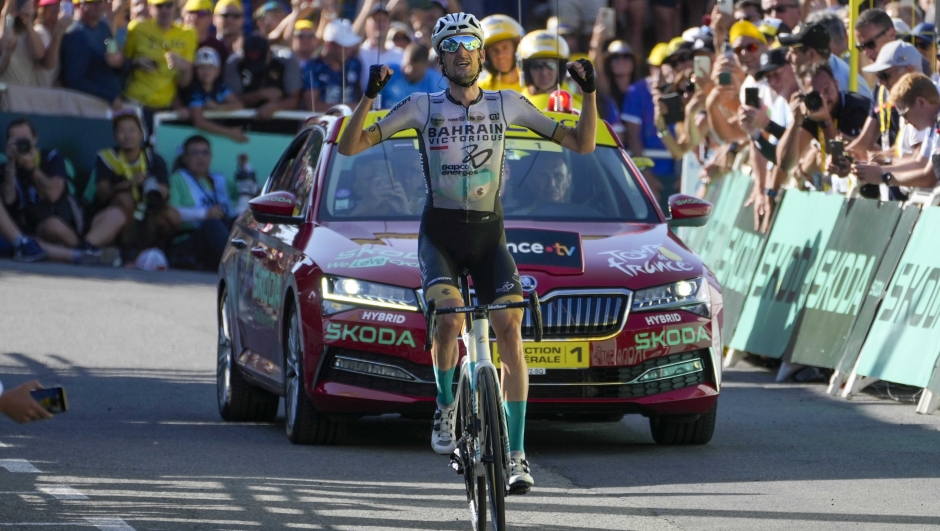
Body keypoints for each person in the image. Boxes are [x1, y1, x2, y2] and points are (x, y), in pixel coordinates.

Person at [337, 12, 597, 493]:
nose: (462, 52)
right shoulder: (421, 107)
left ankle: (517, 455)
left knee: (510, 332)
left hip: (488, 236)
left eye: (469, 44)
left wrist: (588, 94)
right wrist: (369, 97)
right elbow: (350, 146)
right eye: (451, 44)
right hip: (440, 235)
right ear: (441, 57)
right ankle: (444, 405)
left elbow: (582, 144)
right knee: (449, 319)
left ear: (481, 54)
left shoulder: (508, 104)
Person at [1, 119, 122, 264]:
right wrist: (11, 164)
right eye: (16, 140)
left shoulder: (51, 156)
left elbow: (54, 194)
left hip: (74, 220)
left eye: (25, 139)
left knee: (116, 215)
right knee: (53, 226)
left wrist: (31, 168)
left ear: (35, 139)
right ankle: (87, 254)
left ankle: (85, 251)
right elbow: (8, 200)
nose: (21, 144)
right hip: (40, 227)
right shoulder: (7, 167)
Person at [92, 113, 175, 260]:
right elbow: (102, 193)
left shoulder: (154, 159)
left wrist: (155, 189)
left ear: (141, 134)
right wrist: (129, 184)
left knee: (172, 215)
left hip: (148, 210)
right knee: (125, 198)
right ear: (114, 135)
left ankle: (163, 252)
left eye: (132, 130)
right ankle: (126, 250)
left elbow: (164, 192)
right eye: (122, 131)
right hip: (114, 213)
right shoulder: (106, 157)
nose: (127, 135)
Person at [776, 62, 872, 183]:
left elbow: (840, 159)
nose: (824, 98)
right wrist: (795, 123)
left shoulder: (857, 108)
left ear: (836, 85)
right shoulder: (811, 109)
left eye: (827, 90)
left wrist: (825, 121)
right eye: (816, 94)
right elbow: (786, 164)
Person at [853, 73, 940, 190]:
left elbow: (929, 177)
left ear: (920, 102)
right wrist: (876, 170)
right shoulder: (934, 126)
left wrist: (882, 177)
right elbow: (921, 164)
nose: (905, 122)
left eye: (904, 114)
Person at [123, 0, 197, 128]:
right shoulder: (137, 28)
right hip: (136, 103)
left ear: (175, 7)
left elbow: (183, 83)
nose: (164, 10)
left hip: (165, 107)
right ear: (150, 8)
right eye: (159, 6)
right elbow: (122, 65)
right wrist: (136, 63)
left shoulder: (188, 34)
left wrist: (184, 67)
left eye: (169, 5)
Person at [166, 135, 232, 270]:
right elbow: (171, 213)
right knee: (212, 224)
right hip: (190, 239)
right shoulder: (178, 178)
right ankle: (236, 266)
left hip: (221, 235)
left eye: (205, 152)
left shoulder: (220, 180)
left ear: (211, 156)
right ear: (185, 158)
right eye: (194, 153)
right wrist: (205, 214)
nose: (200, 157)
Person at [779, 23, 872, 100]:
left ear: (811, 54)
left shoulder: (843, 86)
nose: (787, 57)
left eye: (794, 52)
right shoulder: (824, 71)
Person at [60, 0, 126, 106]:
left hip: (114, 101)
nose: (99, 5)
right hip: (92, 107)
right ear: (79, 4)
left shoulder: (104, 27)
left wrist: (120, 61)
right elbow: (74, 81)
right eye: (92, 2)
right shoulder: (75, 35)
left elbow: (114, 54)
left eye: (101, 1)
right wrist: (110, 97)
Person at [225, 33, 302, 119]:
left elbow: (294, 99)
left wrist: (276, 107)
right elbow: (232, 99)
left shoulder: (286, 63)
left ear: (269, 52)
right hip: (243, 123)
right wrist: (260, 94)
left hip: (280, 124)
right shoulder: (235, 63)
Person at [179, 47, 247, 142]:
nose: (206, 72)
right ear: (196, 71)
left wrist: (218, 108)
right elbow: (199, 122)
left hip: (216, 136)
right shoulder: (194, 90)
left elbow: (239, 105)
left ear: (218, 71)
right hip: (197, 138)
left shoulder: (219, 86)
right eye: (202, 67)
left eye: (210, 67)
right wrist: (230, 133)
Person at [301, 19, 362, 112]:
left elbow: (360, 97)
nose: (348, 50)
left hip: (351, 124)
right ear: (330, 45)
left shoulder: (354, 64)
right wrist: (348, 109)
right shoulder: (312, 68)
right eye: (343, 46)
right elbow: (313, 106)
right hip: (323, 124)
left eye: (349, 46)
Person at [519, 30, 582, 111]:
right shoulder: (515, 103)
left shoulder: (580, 104)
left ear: (560, 70)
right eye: (537, 66)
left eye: (551, 66)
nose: (544, 72)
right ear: (527, 70)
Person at [354, 2, 403, 93]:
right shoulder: (360, 51)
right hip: (365, 104)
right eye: (375, 20)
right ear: (366, 24)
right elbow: (353, 37)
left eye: (384, 20)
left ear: (389, 25)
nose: (380, 24)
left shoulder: (400, 53)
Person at [346, 154, 412, 216]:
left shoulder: (417, 213)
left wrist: (406, 214)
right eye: (371, 180)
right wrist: (362, 209)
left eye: (386, 178)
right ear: (357, 189)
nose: (379, 185)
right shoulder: (339, 217)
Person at [0, 0, 46, 86]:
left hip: (22, 94)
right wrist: (5, 13)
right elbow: (2, 46)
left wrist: (28, 21)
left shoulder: (28, 33)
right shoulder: (3, 28)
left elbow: (40, 54)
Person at [477, 14, 523, 92]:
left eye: (505, 48)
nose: (500, 56)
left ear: (516, 49)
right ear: (486, 56)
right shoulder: (480, 91)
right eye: (494, 51)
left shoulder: (532, 85)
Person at [33, 0, 71, 87]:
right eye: (52, 5)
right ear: (43, 9)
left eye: (59, 5)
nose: (57, 8)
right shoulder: (39, 31)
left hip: (52, 93)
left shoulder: (62, 33)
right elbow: (48, 63)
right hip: (39, 91)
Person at [183, 0, 228, 65]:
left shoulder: (218, 47)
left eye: (201, 13)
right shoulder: (175, 42)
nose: (194, 17)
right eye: (191, 12)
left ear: (211, 18)